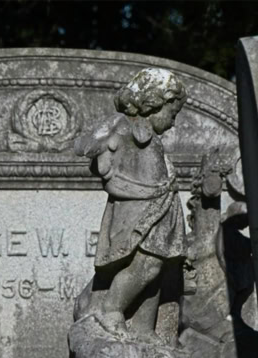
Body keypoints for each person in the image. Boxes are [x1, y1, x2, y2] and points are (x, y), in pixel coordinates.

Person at [74, 67, 188, 337]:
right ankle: (111, 310)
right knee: (146, 266)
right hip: (137, 208)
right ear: (154, 103)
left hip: (161, 210)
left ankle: (144, 328)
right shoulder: (123, 125)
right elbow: (84, 146)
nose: (173, 123)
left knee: (157, 270)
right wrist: (103, 143)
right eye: (172, 114)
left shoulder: (151, 137)